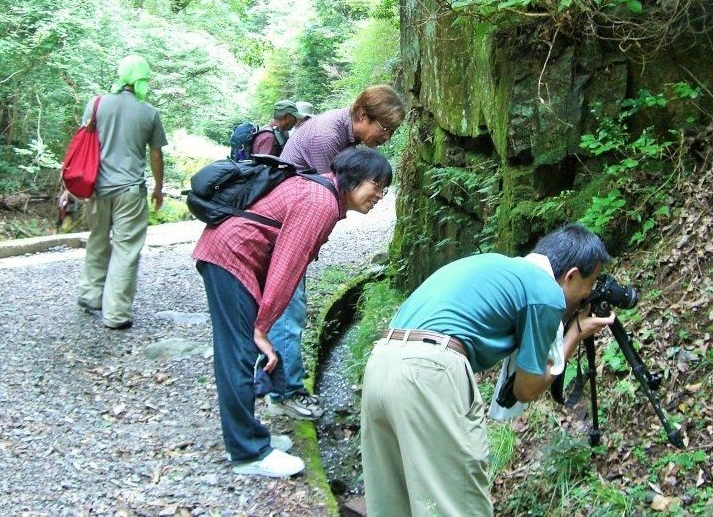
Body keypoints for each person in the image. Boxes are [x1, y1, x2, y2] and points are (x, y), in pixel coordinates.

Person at [360, 223, 615, 516]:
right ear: (570, 276)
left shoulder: (501, 268)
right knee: (457, 505)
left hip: (382, 360)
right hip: (428, 372)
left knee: (394, 504)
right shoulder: (546, 292)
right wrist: (573, 336)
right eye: (590, 283)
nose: (589, 293)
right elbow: (526, 389)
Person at [192, 147, 393, 478]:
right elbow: (287, 268)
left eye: (385, 188)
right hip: (230, 257)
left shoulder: (323, 193)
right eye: (377, 184)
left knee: (241, 350)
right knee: (239, 352)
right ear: (353, 178)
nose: (380, 195)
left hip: (232, 255)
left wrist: (263, 322)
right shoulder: (321, 202)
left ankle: (250, 438)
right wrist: (263, 327)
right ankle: (248, 452)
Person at [267, 85, 406, 421]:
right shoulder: (328, 136)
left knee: (286, 307)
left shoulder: (342, 134)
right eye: (384, 129)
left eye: (393, 132)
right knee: (288, 307)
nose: (386, 138)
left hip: (288, 225)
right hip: (283, 229)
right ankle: (285, 392)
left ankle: (278, 383)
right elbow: (331, 196)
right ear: (362, 116)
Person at [76, 54, 167, 330]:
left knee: (97, 240)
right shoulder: (149, 112)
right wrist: (159, 187)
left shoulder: (97, 104)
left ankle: (91, 295)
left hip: (96, 188)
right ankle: (115, 314)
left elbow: (82, 144)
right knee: (126, 250)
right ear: (143, 78)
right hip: (129, 190)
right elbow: (155, 155)